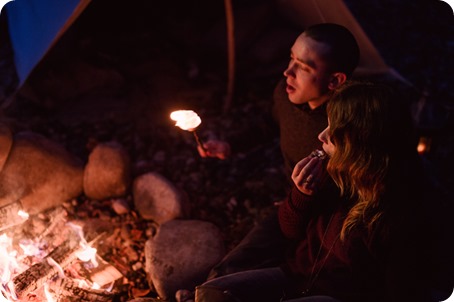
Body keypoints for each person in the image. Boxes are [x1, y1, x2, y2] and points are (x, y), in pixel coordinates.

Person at [193, 81, 433, 302]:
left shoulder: (399, 209)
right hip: (296, 277)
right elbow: (290, 231)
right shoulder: (332, 172)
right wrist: (302, 194)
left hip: (337, 297)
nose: (321, 136)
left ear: (360, 139)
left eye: (333, 130)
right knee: (212, 293)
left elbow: (402, 289)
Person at [202, 23, 360, 281]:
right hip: (293, 205)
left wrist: (304, 202)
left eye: (304, 67)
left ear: (335, 80)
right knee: (224, 275)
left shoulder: (343, 127)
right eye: (291, 58)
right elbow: (270, 122)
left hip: (330, 224)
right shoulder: (286, 93)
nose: (288, 72)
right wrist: (231, 145)